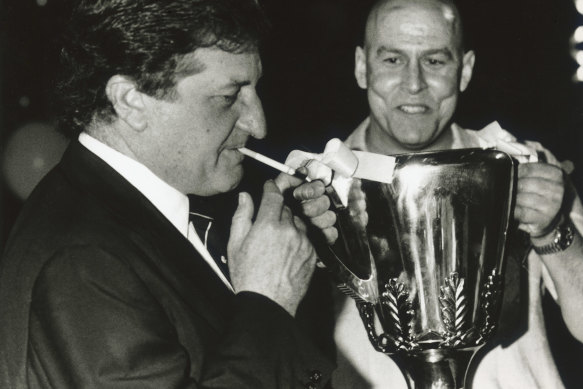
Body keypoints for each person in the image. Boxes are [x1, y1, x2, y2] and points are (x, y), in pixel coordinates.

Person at [0, 1, 339, 388]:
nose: (257, 124)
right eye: (229, 97)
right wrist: (269, 303)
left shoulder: (140, 214)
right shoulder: (83, 261)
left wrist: (294, 262)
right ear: (131, 101)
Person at [331, 0, 583, 388]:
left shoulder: (526, 164)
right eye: (393, 60)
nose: (413, 83)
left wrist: (553, 232)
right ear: (361, 66)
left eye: (434, 61)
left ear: (464, 71)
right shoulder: (315, 192)